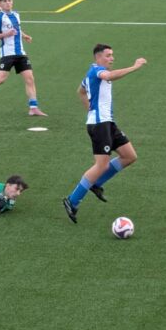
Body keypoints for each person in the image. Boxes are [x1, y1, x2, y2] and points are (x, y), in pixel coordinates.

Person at [62, 44, 147, 223]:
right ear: (98, 57)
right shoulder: (97, 72)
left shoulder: (93, 73)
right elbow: (108, 76)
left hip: (107, 123)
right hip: (100, 125)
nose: (112, 58)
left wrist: (90, 110)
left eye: (112, 55)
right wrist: (135, 67)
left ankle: (96, 184)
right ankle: (72, 200)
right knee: (101, 165)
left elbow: (81, 91)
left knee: (129, 156)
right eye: (108, 55)